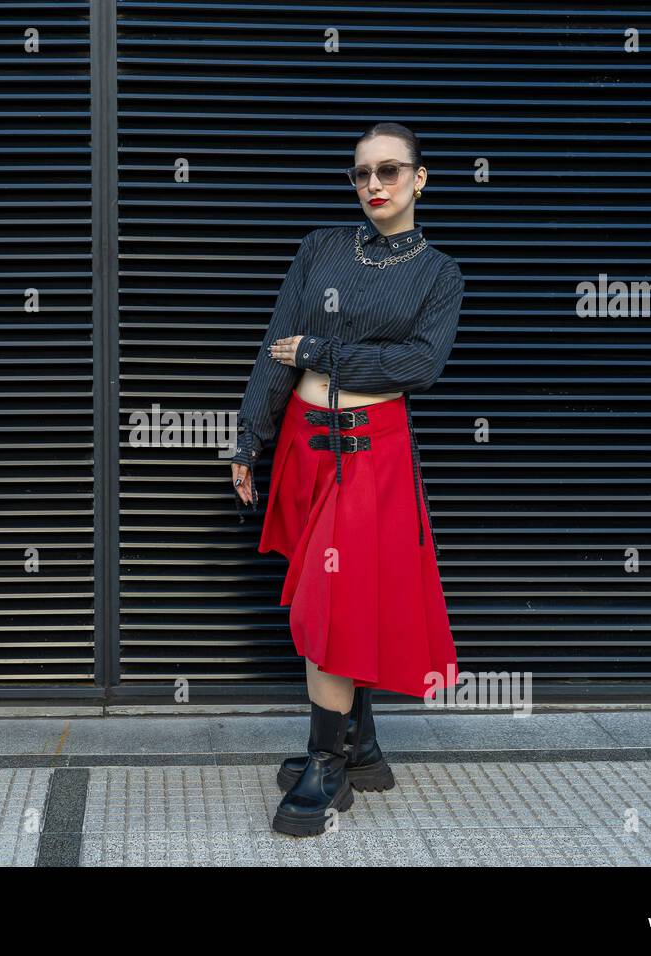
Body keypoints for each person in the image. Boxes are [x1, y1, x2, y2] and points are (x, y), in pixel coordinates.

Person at [229, 122, 465, 837]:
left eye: (391, 171)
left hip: (371, 457)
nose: (375, 185)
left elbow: (417, 367)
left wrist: (324, 350)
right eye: (362, 173)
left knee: (328, 610)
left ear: (421, 178)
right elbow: (279, 343)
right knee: (333, 599)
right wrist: (248, 435)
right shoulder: (322, 247)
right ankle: (359, 746)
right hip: (305, 447)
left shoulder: (440, 274)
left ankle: (324, 767)